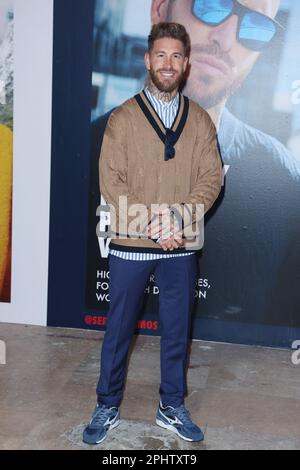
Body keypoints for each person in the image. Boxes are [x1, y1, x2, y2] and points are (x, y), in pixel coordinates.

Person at [87, 0, 300, 330]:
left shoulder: (288, 186)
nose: (226, 39)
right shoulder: (83, 151)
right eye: (210, 6)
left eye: (256, 27)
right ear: (160, 10)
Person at [83, 22, 222, 445]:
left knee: (177, 331)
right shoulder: (121, 119)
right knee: (120, 329)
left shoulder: (198, 120)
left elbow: (211, 178)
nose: (168, 63)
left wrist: (177, 220)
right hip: (130, 244)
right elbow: (112, 182)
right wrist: (152, 225)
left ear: (186, 64)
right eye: (160, 55)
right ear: (147, 60)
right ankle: (107, 403)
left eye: (176, 56)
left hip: (180, 246)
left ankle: (171, 406)